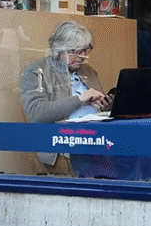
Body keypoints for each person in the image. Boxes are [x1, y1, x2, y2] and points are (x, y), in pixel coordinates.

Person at [20, 20, 112, 173]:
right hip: (63, 139)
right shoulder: (37, 71)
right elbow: (36, 113)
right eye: (76, 51)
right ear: (59, 49)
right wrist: (81, 99)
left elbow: (98, 107)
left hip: (96, 136)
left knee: (134, 146)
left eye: (85, 50)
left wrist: (105, 106)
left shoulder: (88, 71)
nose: (82, 56)